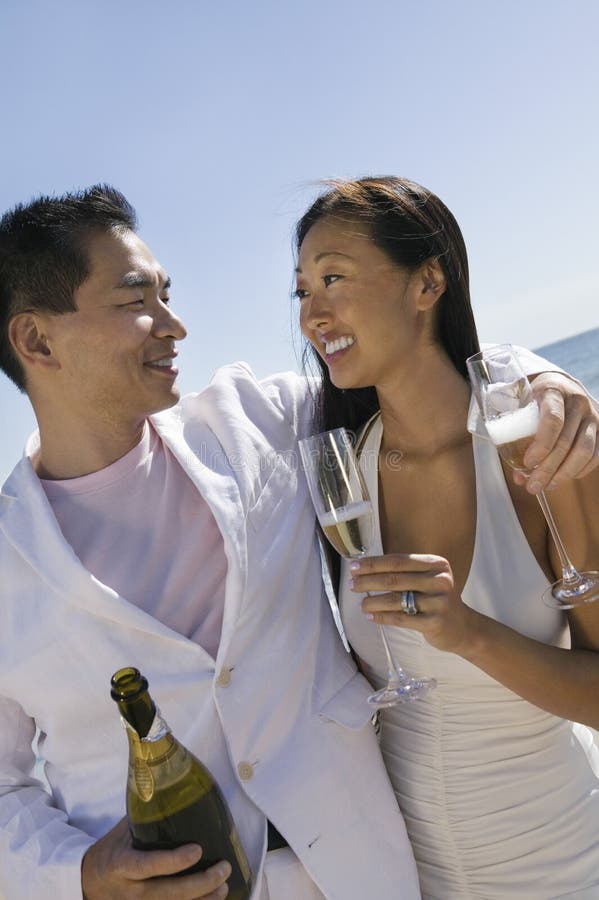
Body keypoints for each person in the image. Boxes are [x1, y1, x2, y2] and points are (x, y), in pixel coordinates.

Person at [0, 187, 594, 900]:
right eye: (136, 301)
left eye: (167, 293)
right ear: (36, 341)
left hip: (364, 873)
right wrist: (78, 873)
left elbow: (407, 358)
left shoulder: (258, 427)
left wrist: (540, 378)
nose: (175, 324)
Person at [293, 176, 599, 898]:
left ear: (427, 281)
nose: (312, 312)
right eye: (300, 289)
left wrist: (468, 634)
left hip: (558, 863)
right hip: (408, 878)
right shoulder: (342, 465)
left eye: (333, 276)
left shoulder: (539, 453)